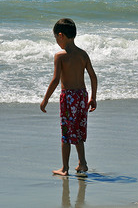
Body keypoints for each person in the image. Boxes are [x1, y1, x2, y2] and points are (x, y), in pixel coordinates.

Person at [40, 18, 98, 176]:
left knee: (66, 132)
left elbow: (55, 80)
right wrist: (93, 97)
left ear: (60, 36)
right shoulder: (83, 54)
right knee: (78, 131)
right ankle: (82, 163)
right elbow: (93, 77)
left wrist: (45, 99)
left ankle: (64, 168)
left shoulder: (60, 56)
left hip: (69, 98)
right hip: (81, 96)